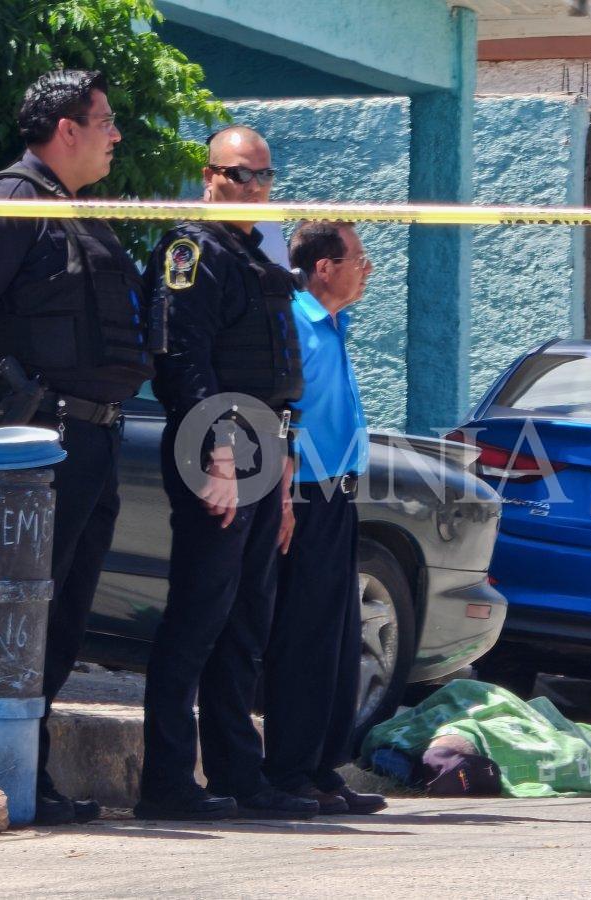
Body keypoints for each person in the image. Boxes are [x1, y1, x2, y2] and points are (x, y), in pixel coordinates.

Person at [0, 69, 154, 826]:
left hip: (89, 439)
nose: (115, 135)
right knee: (22, 612)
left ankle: (27, 770)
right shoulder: (9, 201)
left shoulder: (74, 212)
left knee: (62, 614)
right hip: (32, 443)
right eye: (105, 120)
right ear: (67, 129)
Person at [136, 125, 317, 821]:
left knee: (245, 621)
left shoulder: (250, 255)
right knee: (198, 618)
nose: (255, 187)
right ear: (209, 176)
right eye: (241, 174)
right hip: (217, 448)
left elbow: (274, 376)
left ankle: (241, 776)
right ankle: (167, 783)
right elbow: (182, 360)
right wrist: (215, 452)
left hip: (261, 446)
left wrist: (283, 465)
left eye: (265, 176)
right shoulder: (191, 252)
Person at [262, 221, 386, 815]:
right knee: (304, 636)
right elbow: (281, 413)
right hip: (304, 494)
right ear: (324, 268)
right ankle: (288, 770)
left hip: (338, 494)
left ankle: (320, 767)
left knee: (337, 637)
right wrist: (283, 496)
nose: (367, 269)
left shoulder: (334, 322)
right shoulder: (293, 321)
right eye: (358, 258)